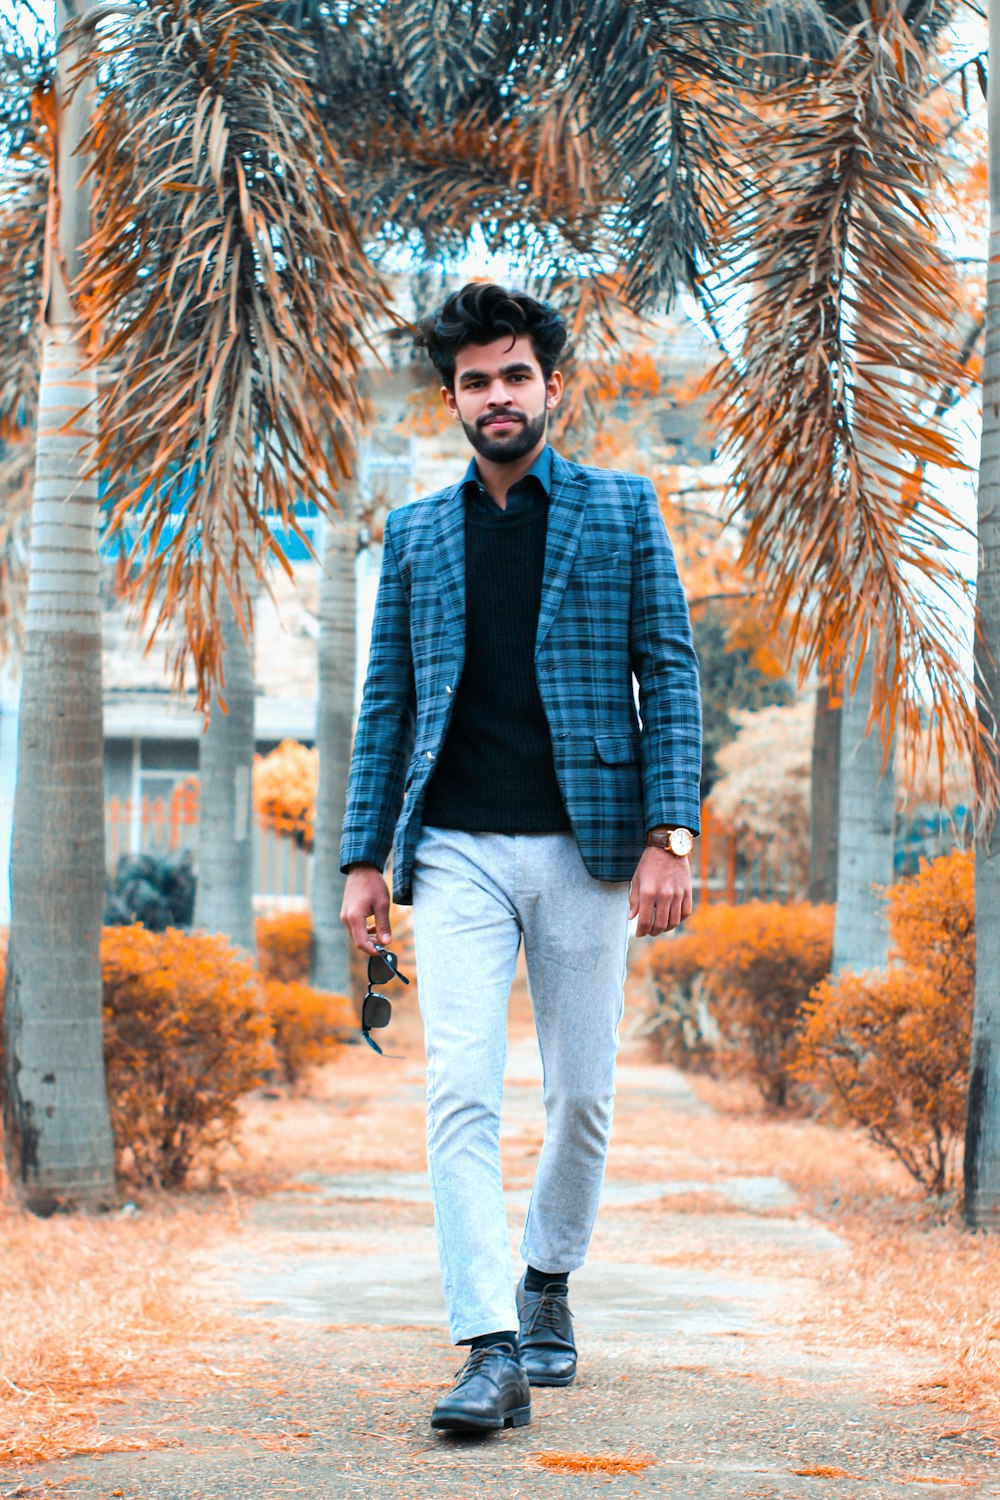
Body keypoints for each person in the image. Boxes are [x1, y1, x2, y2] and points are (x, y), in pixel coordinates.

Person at [340, 282, 701, 1434]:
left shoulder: (620, 510)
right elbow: (385, 704)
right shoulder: (417, 535)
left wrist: (668, 832)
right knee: (457, 1092)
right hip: (452, 853)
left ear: (550, 386)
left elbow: (671, 674)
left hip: (589, 851)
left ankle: (546, 1278)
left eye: (514, 376)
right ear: (452, 399)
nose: (497, 397)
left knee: (583, 1096)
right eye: (475, 382)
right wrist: (362, 859)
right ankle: (487, 1345)